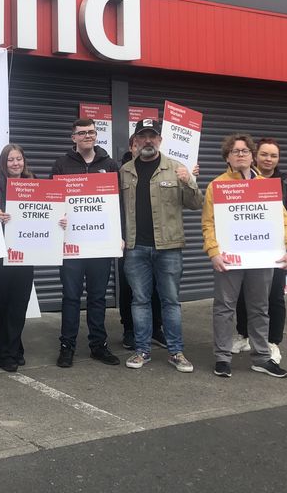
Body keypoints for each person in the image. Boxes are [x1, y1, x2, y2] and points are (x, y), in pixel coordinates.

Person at [202, 133, 287, 379]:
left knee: (259, 307)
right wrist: (213, 252)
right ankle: (223, 358)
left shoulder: (266, 184)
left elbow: (282, 220)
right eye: (235, 151)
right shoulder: (217, 186)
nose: (240, 154)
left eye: (245, 151)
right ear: (227, 157)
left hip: (261, 257)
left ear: (252, 155)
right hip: (229, 258)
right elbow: (208, 224)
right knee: (224, 308)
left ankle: (262, 358)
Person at [119, 119, 203, 373]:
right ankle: (142, 350)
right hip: (135, 247)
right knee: (140, 300)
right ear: (135, 142)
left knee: (170, 301)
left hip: (169, 247)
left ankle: (176, 351)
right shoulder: (124, 171)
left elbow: (195, 203)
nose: (148, 141)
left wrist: (188, 180)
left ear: (160, 140)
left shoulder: (177, 168)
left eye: (152, 136)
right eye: (142, 136)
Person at [0, 144, 66, 371]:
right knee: (6, 302)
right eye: (11, 160)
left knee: (19, 302)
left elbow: (45, 213)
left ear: (24, 161)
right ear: (4, 162)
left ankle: (9, 349)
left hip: (25, 251)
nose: (15, 163)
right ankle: (8, 352)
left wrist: (59, 221)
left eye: (19, 159)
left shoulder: (34, 182)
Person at [50, 117, 120, 368]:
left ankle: (98, 346)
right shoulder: (61, 164)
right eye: (82, 133)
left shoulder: (110, 164)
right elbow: (53, 201)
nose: (87, 136)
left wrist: (118, 236)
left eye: (91, 132)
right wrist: (58, 219)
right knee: (70, 296)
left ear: (96, 135)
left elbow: (117, 205)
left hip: (100, 244)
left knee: (98, 297)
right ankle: (66, 346)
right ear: (74, 138)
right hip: (71, 244)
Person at [233, 138, 287, 363]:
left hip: (277, 250)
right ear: (256, 156)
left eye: (273, 155)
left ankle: (272, 342)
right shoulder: (241, 178)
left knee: (274, 296)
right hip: (246, 247)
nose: (268, 159)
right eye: (264, 154)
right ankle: (244, 335)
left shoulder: (286, 182)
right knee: (242, 295)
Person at [117, 136, 164, 351]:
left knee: (157, 288)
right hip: (128, 241)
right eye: (136, 144)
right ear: (131, 147)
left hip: (158, 242)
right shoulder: (120, 173)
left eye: (147, 142)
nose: (142, 147)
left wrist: (188, 179)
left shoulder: (164, 169)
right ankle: (129, 330)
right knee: (131, 289)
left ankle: (156, 328)